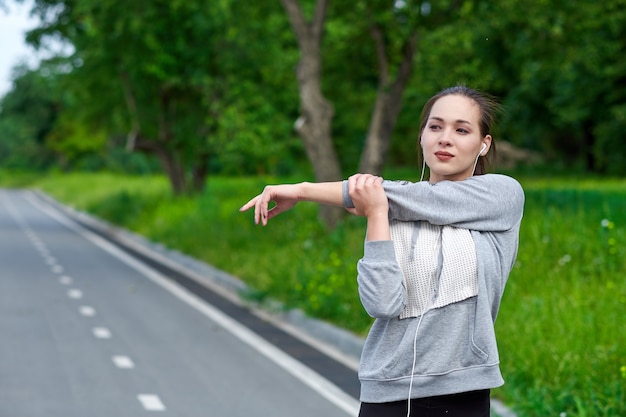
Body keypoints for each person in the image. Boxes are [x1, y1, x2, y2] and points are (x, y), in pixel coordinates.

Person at [240, 85, 524, 417]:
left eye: (462, 130)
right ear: (421, 137)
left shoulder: (502, 197)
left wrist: (303, 191)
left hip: (462, 392)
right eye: (435, 126)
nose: (445, 138)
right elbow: (382, 303)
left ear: (483, 143)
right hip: (386, 392)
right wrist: (375, 214)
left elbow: (426, 199)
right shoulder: (390, 213)